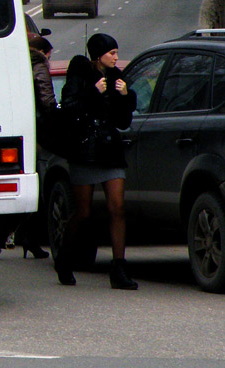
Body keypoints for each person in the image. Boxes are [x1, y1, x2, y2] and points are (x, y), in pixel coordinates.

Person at [54, 32, 138, 290]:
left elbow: (123, 122)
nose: (116, 57)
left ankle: (119, 267)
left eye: (116, 52)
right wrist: (92, 92)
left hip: (110, 150)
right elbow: (68, 108)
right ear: (98, 55)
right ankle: (64, 260)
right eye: (111, 53)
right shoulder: (80, 75)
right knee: (83, 212)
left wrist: (126, 97)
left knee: (118, 208)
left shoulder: (117, 79)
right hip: (85, 150)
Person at [11, 36, 55, 259]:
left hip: (17, 130)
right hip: (39, 131)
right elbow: (47, 100)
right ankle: (31, 236)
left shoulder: (15, 62)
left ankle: (17, 233)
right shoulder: (38, 66)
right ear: (42, 52)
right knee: (43, 183)